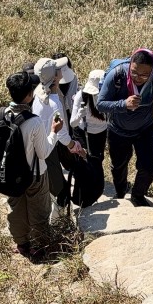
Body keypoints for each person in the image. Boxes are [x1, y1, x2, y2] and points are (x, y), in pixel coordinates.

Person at [95, 48, 153, 207]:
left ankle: (137, 196)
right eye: (134, 73)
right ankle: (120, 192)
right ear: (130, 65)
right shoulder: (118, 73)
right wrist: (123, 104)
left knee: (147, 169)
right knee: (118, 167)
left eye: (143, 75)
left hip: (145, 130)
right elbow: (100, 104)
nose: (137, 78)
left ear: (152, 70)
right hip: (117, 130)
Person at [2, 71, 61, 258]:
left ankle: (22, 244)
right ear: (29, 95)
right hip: (34, 175)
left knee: (16, 210)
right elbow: (43, 152)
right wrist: (54, 132)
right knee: (39, 212)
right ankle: (40, 246)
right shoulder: (33, 121)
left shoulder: (2, 114)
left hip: (10, 175)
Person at [33, 57, 87, 216]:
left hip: (42, 144)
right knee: (61, 192)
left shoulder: (39, 91)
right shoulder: (54, 103)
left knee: (53, 187)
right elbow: (62, 135)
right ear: (56, 75)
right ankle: (56, 223)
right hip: (46, 150)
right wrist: (76, 148)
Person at [70, 70, 108, 160]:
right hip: (85, 133)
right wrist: (79, 115)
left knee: (99, 159)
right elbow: (72, 123)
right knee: (87, 160)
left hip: (102, 132)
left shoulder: (109, 94)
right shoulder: (81, 96)